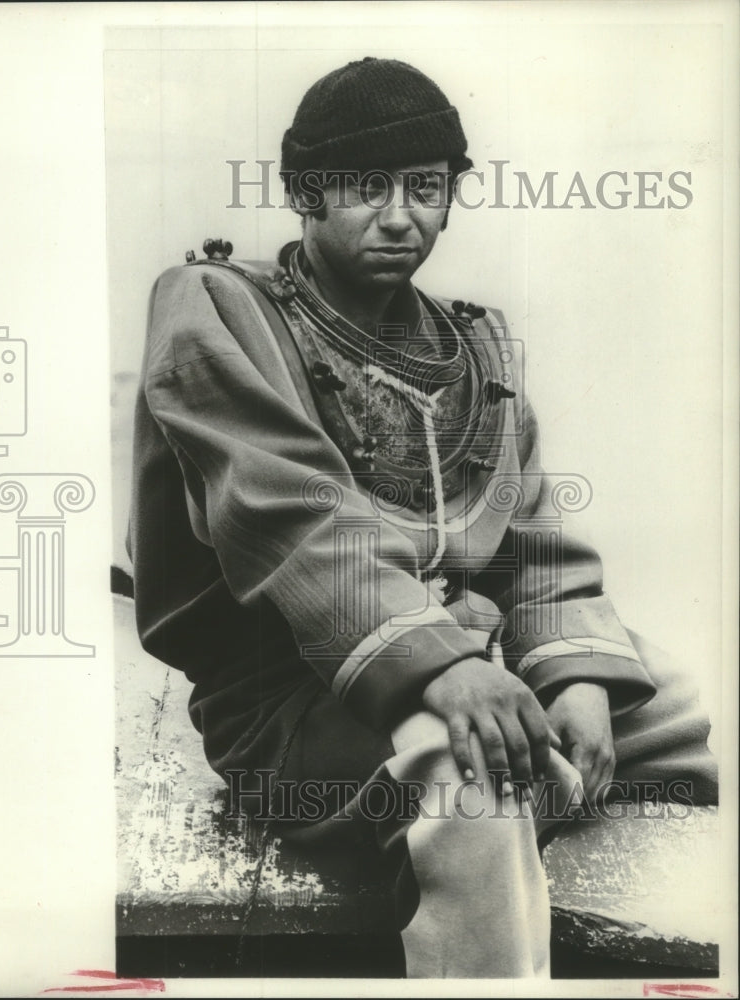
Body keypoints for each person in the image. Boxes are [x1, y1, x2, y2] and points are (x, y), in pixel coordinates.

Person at [127, 57, 717, 978]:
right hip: (290, 696)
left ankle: (499, 822)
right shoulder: (217, 307)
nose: (401, 216)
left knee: (669, 707)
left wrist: (580, 677)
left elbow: (531, 545)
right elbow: (291, 518)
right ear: (304, 193)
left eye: (427, 189)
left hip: (459, 655)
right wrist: (440, 668)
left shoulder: (474, 344)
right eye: (366, 187)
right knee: (469, 775)